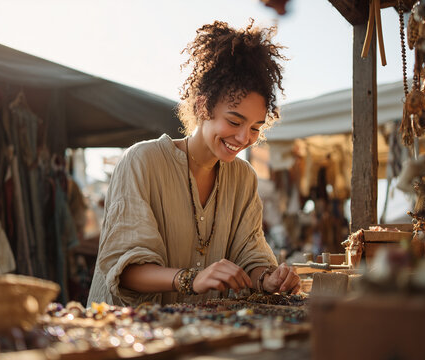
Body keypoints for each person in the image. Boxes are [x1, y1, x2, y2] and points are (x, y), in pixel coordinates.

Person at [87, 20, 300, 307]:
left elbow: (251, 255)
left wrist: (267, 279)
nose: (243, 137)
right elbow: (123, 271)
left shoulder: (243, 177)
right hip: (126, 337)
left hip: (197, 336)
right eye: (234, 121)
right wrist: (191, 279)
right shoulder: (142, 161)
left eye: (255, 127)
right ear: (202, 107)